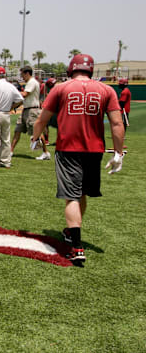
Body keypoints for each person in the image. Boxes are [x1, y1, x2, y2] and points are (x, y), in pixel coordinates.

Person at [31, 54, 124, 264]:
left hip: (68, 148)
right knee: (81, 193)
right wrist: (118, 152)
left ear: (71, 68)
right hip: (95, 149)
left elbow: (41, 119)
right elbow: (117, 124)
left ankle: (76, 246)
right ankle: (70, 231)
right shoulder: (107, 90)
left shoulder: (61, 88)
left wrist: (35, 137)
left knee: (71, 196)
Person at [11, 66, 50, 160]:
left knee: (37, 132)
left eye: (22, 75)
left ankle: (45, 153)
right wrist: (12, 107)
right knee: (17, 130)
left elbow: (25, 94)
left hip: (32, 111)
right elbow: (23, 98)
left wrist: (12, 92)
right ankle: (10, 151)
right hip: (26, 110)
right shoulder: (29, 83)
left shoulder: (32, 82)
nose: (22, 77)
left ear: (27, 73)